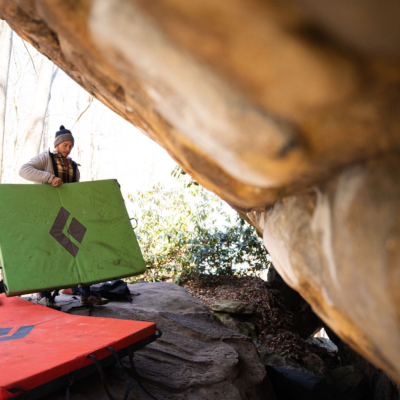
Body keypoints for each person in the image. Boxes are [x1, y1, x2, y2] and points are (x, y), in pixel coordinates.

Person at [19, 125, 109, 308]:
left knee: (81, 249)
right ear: (58, 144)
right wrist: (48, 177)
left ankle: (86, 293)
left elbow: (74, 193)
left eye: (70, 146)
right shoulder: (46, 158)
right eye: (65, 145)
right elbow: (24, 170)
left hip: (67, 216)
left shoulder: (74, 167)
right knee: (48, 253)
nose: (68, 149)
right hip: (46, 214)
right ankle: (44, 295)